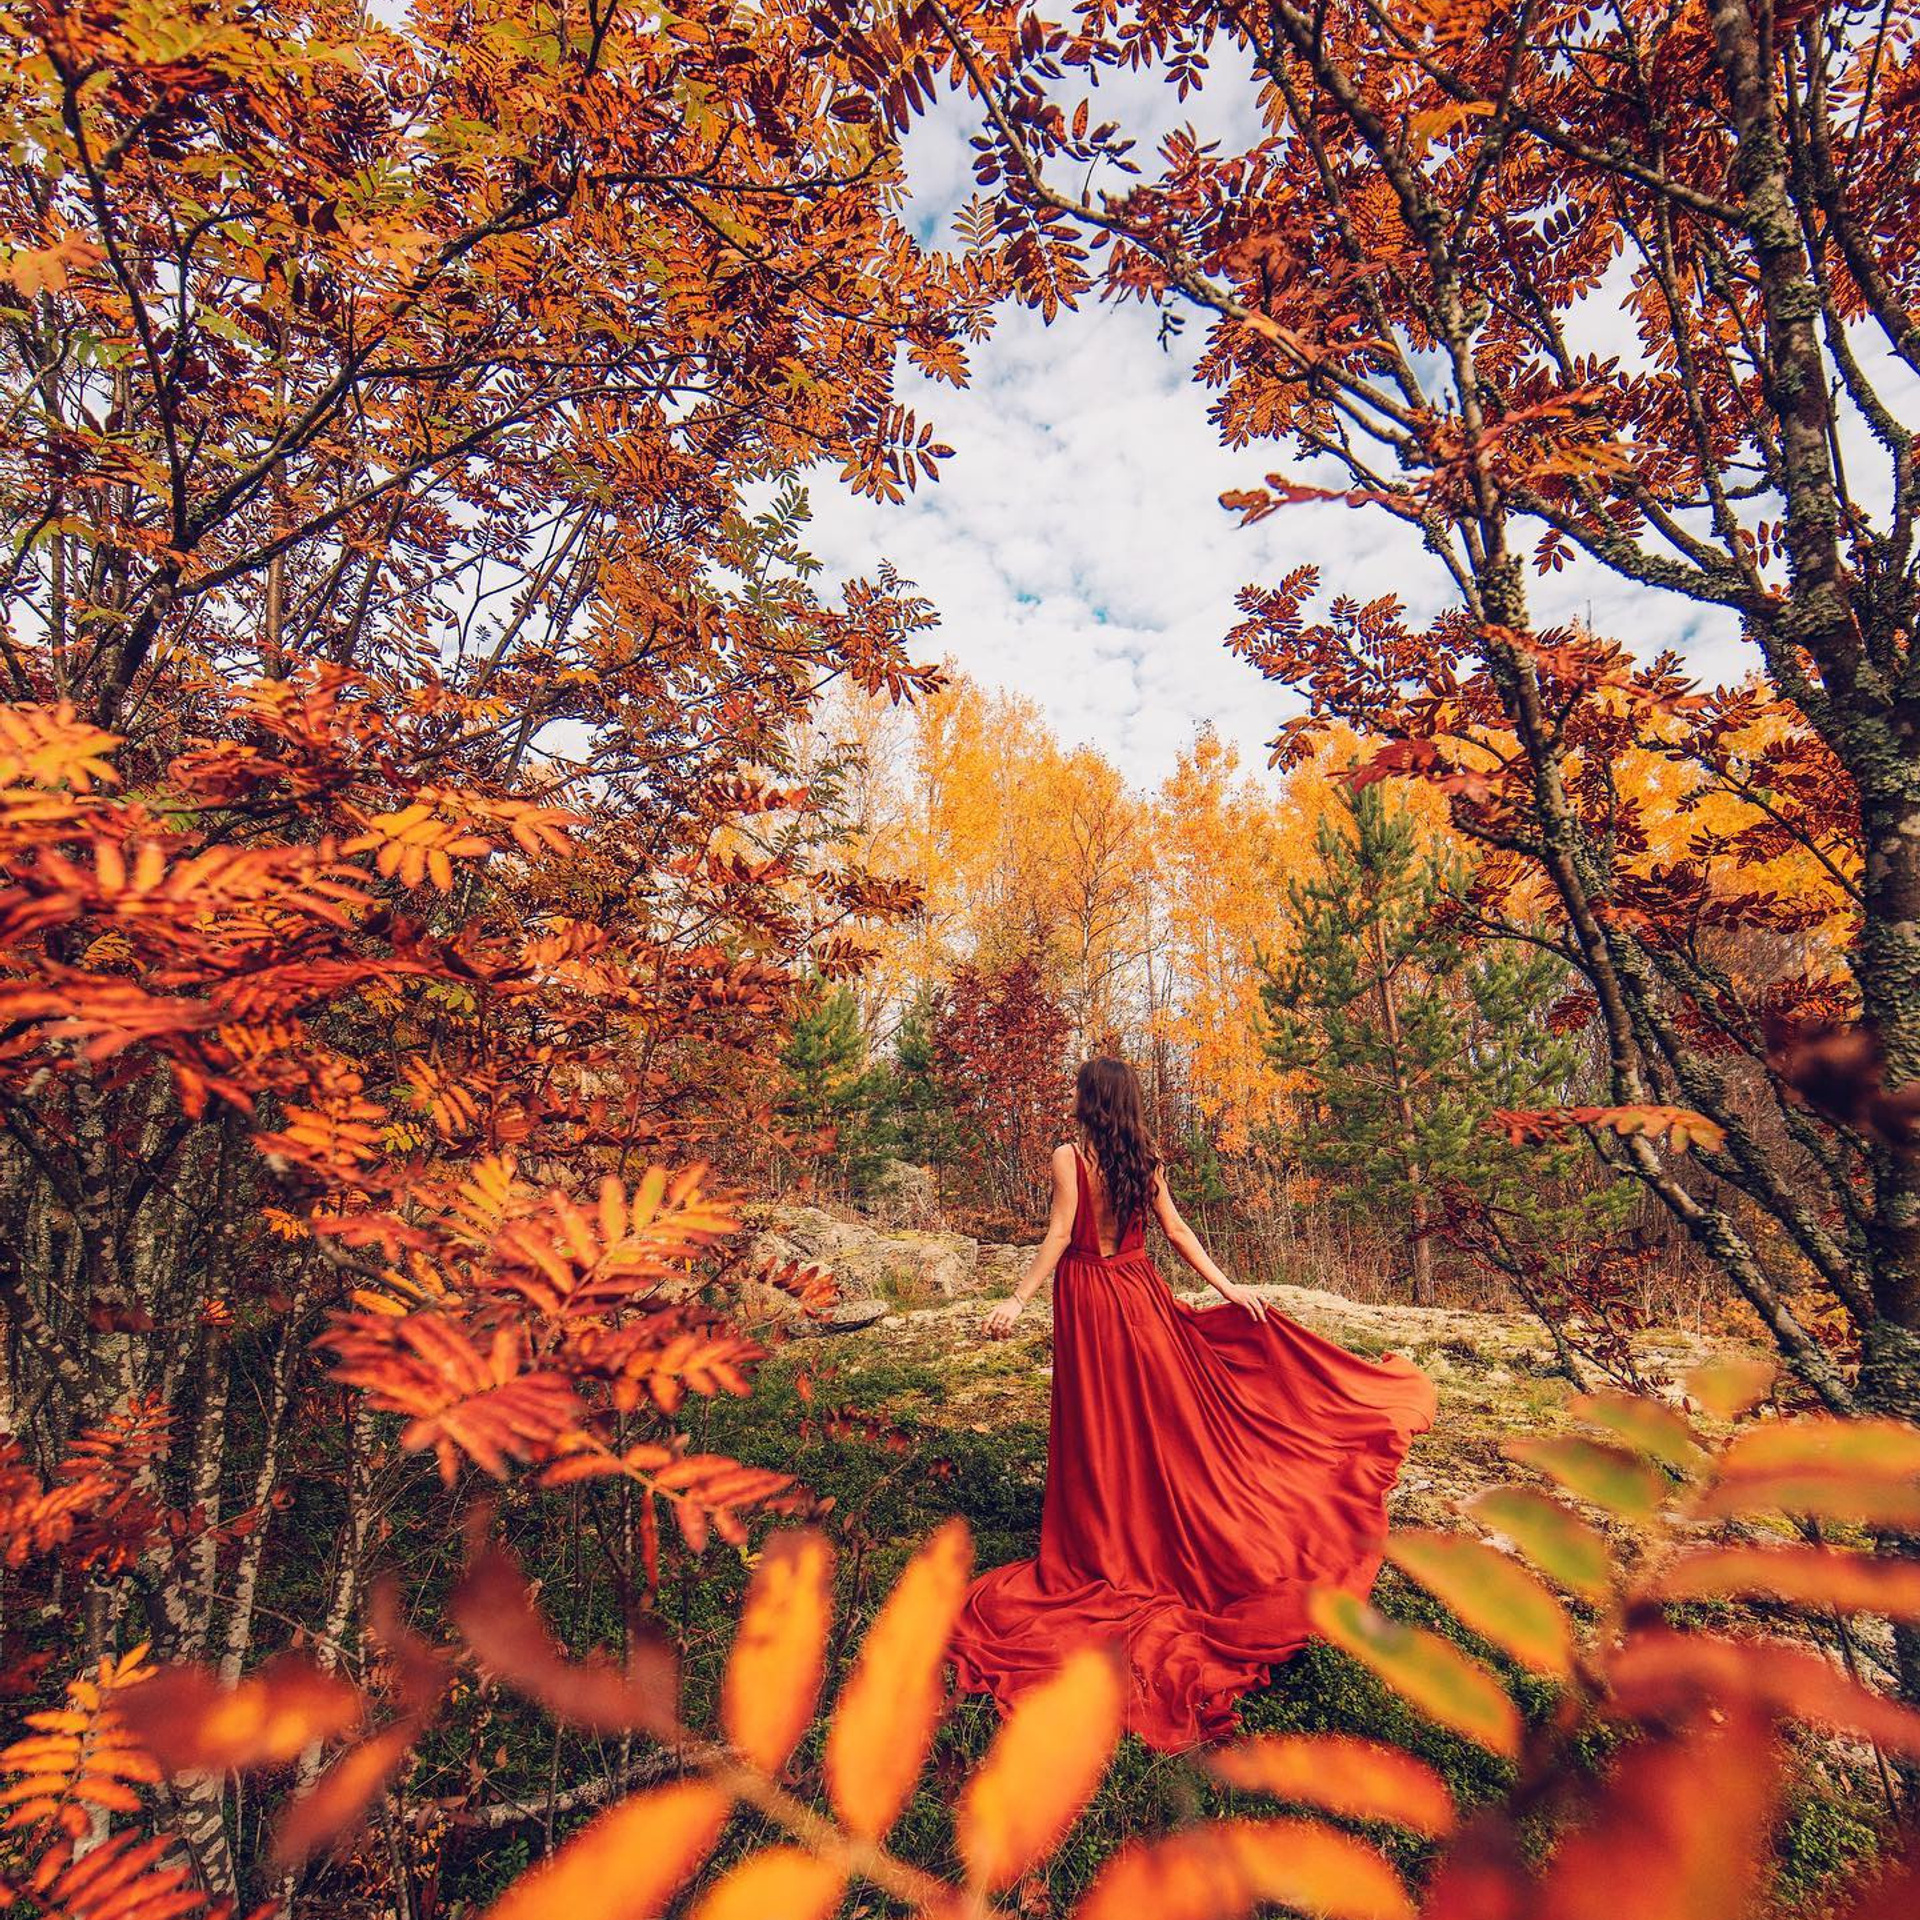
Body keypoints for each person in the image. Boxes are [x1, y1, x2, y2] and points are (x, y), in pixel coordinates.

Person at [948, 1055, 1437, 1750]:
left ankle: (1112, 1531)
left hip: (1089, 1297)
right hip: (1139, 1293)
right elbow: (1177, 1233)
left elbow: (1060, 1234)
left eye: (1079, 1091)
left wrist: (1017, 1300)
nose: (1073, 1098)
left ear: (1091, 1100)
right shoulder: (1144, 1160)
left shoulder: (1068, 1157)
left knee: (1102, 1420)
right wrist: (1227, 1287)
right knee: (1153, 1418)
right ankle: (1138, 1520)